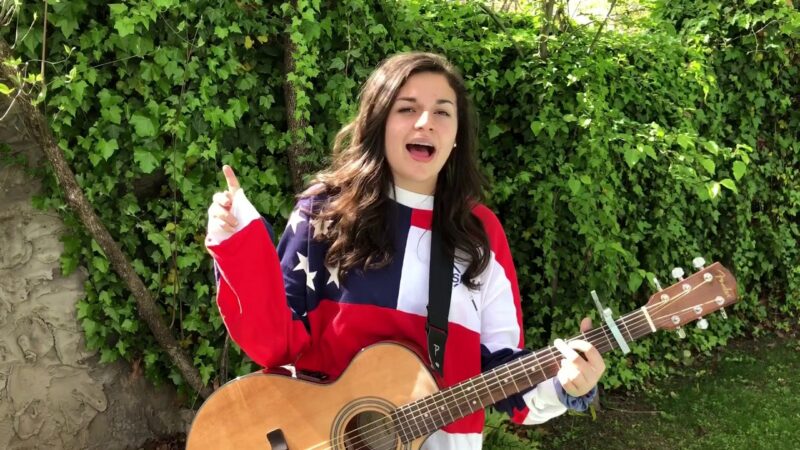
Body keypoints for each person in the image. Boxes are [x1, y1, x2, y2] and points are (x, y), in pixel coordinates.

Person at [205, 52, 605, 449]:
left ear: (457, 135)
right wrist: (239, 245)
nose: (425, 121)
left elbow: (504, 376)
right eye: (407, 108)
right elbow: (274, 344)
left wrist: (564, 384)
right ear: (378, 121)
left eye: (442, 112)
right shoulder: (323, 211)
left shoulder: (480, 234)